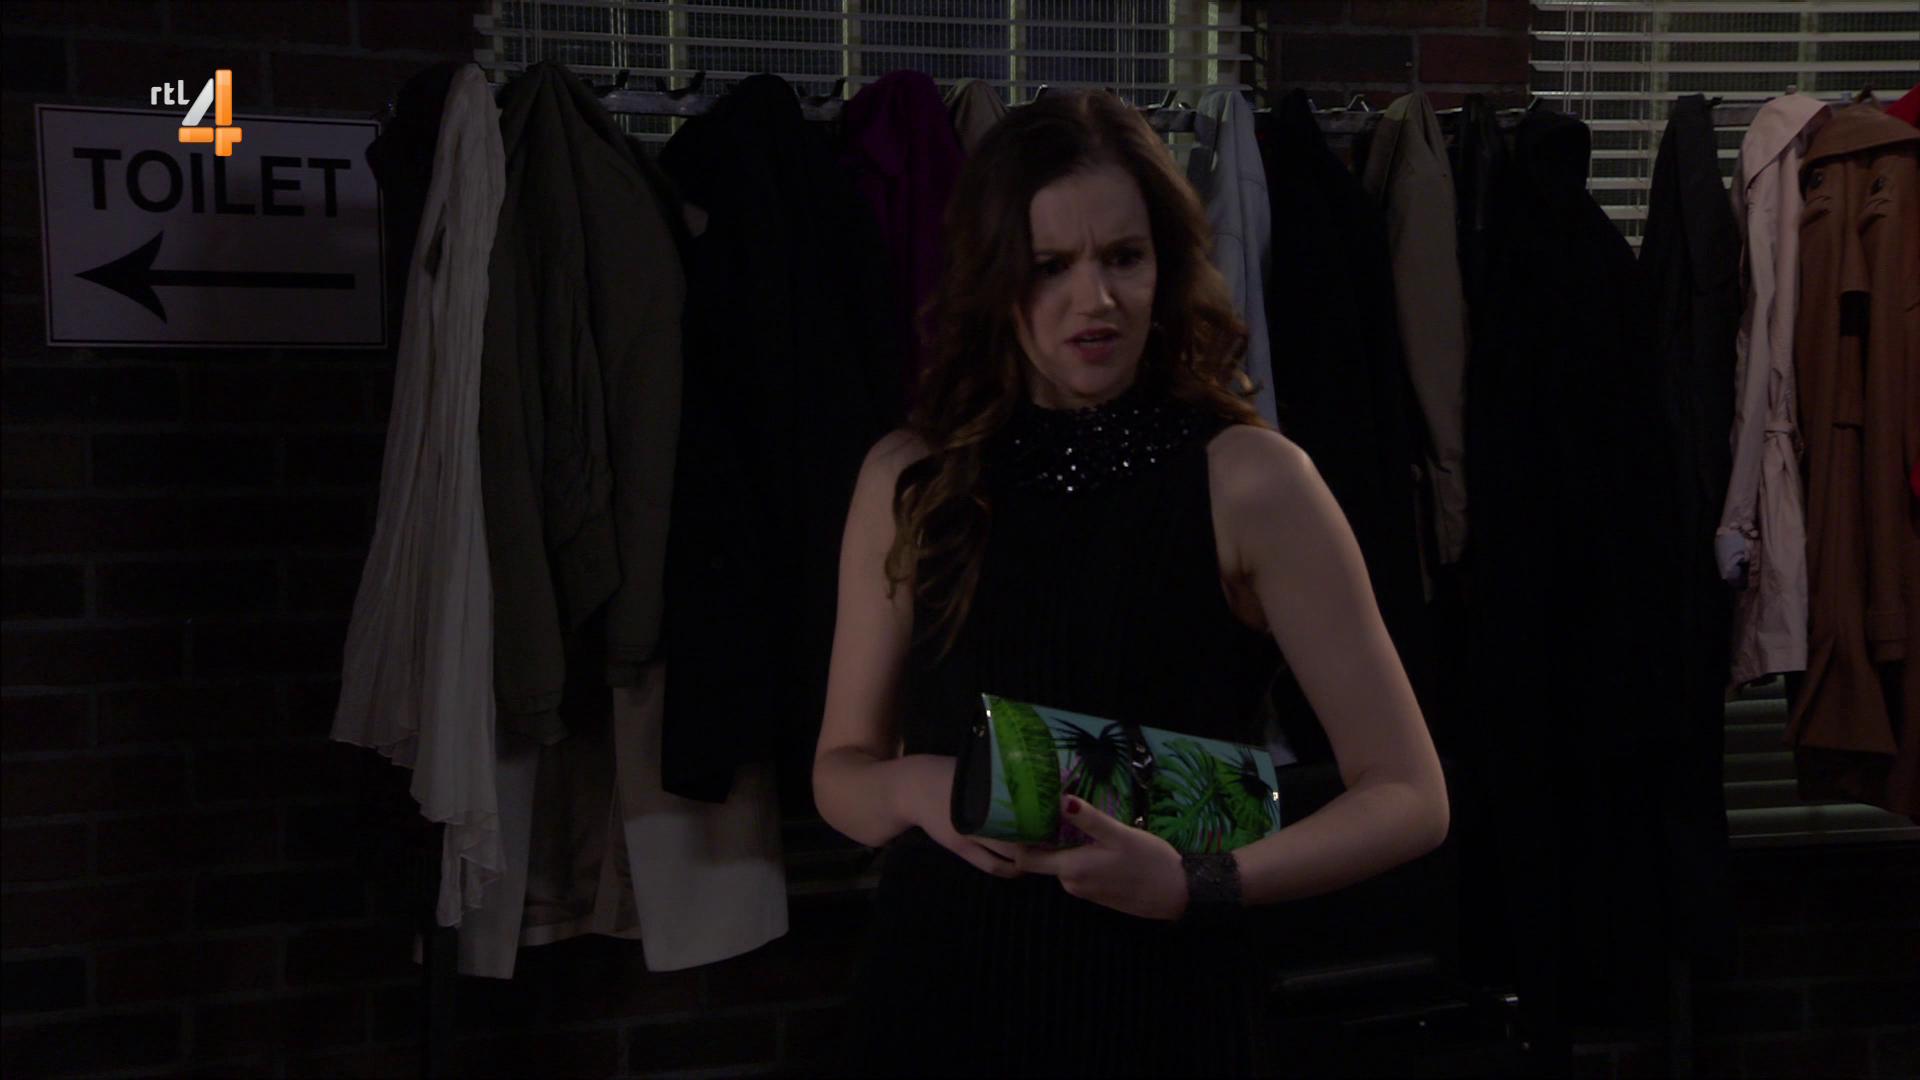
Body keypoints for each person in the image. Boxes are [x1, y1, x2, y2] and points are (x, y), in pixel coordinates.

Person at [813, 89, 1450, 1078]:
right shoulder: (911, 480)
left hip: (1161, 1005)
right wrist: (913, 785)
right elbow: (838, 774)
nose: (1097, 301)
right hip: (937, 999)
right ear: (995, 276)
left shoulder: (1251, 481)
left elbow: (1411, 795)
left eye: (1123, 257)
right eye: (1051, 266)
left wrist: (1205, 882)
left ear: (1168, 263)